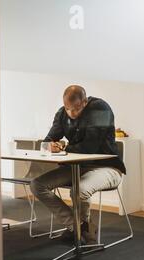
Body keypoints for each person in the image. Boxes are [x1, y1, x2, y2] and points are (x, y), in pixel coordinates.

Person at [30, 85, 126, 244]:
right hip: (76, 167)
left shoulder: (100, 109)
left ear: (85, 102)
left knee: (79, 190)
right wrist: (49, 146)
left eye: (75, 109)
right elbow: (46, 142)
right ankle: (78, 226)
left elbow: (89, 147)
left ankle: (79, 230)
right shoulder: (62, 113)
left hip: (107, 167)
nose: (71, 113)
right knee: (37, 184)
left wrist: (61, 147)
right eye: (68, 108)